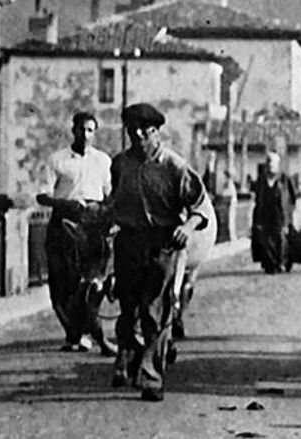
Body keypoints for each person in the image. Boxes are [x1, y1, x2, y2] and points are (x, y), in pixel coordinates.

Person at [110, 103, 210, 402]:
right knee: (128, 311)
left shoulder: (174, 167)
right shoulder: (120, 164)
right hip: (128, 243)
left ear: (156, 132)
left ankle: (151, 376)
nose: (139, 135)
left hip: (163, 244)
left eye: (145, 130)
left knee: (155, 310)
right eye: (132, 130)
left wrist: (188, 228)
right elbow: (113, 201)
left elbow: (200, 206)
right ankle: (132, 357)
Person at [36, 111, 116, 356]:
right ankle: (74, 332)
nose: (85, 134)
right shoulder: (57, 160)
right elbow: (42, 195)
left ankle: (86, 329)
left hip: (93, 224)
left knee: (92, 281)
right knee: (63, 281)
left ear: (95, 133)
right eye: (81, 129)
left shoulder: (103, 161)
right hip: (65, 222)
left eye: (91, 130)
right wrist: (66, 205)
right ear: (73, 130)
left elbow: (110, 193)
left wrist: (105, 213)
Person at [251, 151, 296, 274]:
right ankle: (269, 264)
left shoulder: (285, 180)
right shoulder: (261, 180)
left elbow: (292, 198)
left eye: (273, 163)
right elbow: (258, 198)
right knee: (265, 240)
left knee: (280, 239)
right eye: (268, 162)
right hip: (265, 214)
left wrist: (289, 216)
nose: (270, 165)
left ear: (278, 164)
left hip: (280, 214)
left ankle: (281, 262)